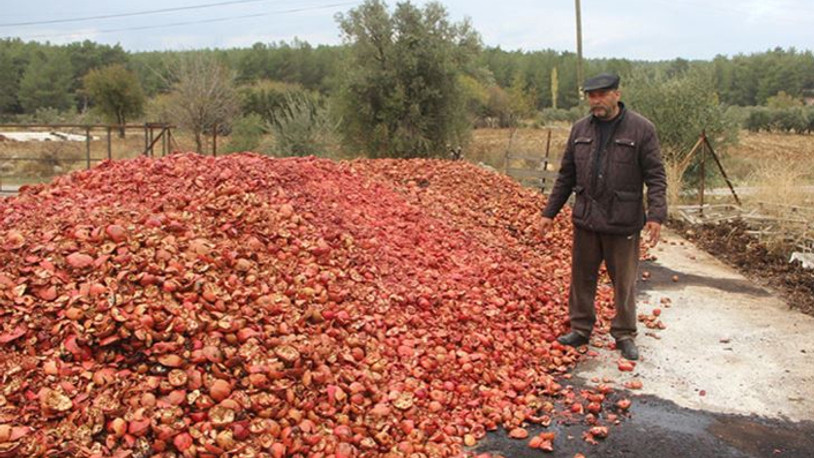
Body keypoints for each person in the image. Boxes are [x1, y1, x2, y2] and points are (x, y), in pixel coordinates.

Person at [539, 73, 667, 361]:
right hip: (587, 218)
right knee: (581, 278)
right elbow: (566, 176)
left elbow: (656, 176)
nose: (595, 101)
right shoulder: (580, 130)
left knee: (624, 281)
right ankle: (581, 327)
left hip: (623, 220)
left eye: (601, 95)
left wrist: (656, 215)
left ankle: (624, 333)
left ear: (616, 94)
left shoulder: (641, 130)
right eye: (591, 96)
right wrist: (549, 213)